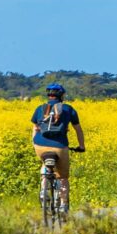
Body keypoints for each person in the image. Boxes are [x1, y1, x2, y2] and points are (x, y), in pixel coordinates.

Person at [31, 83, 85, 214]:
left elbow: (35, 128)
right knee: (63, 177)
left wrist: (35, 143)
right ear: (61, 96)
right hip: (60, 146)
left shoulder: (40, 109)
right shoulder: (68, 109)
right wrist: (81, 146)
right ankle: (63, 205)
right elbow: (78, 129)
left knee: (45, 163)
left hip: (40, 145)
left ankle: (44, 189)